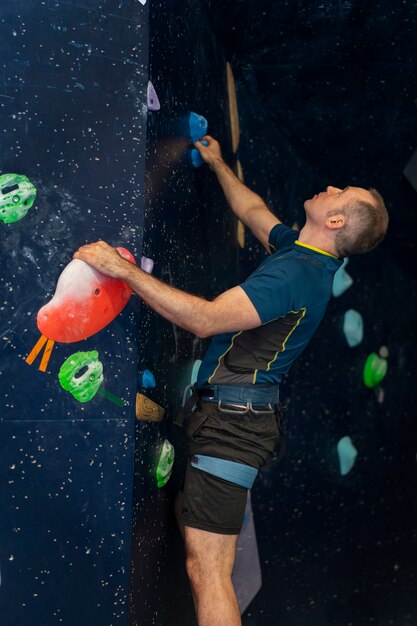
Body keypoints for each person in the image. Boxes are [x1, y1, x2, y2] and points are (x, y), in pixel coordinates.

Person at [74, 136, 389, 626]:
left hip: (234, 428)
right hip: (230, 419)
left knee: (209, 572)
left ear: (336, 221)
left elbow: (205, 319)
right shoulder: (302, 254)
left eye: (340, 191)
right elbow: (254, 210)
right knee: (203, 561)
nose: (330, 186)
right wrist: (218, 162)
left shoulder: (297, 276)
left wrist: (121, 271)